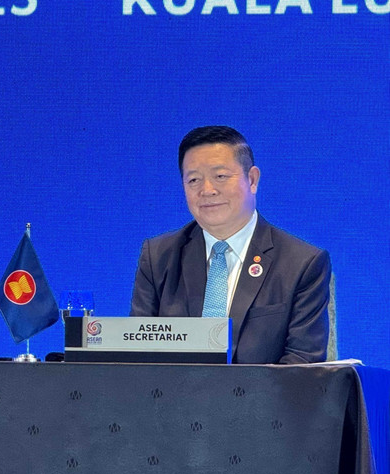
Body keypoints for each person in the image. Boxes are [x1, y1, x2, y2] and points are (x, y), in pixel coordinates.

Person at [130, 126, 331, 364]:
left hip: (260, 400)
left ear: (252, 179)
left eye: (220, 176)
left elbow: (301, 364)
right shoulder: (158, 257)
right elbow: (137, 354)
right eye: (193, 180)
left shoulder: (302, 264)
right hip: (171, 400)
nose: (207, 190)